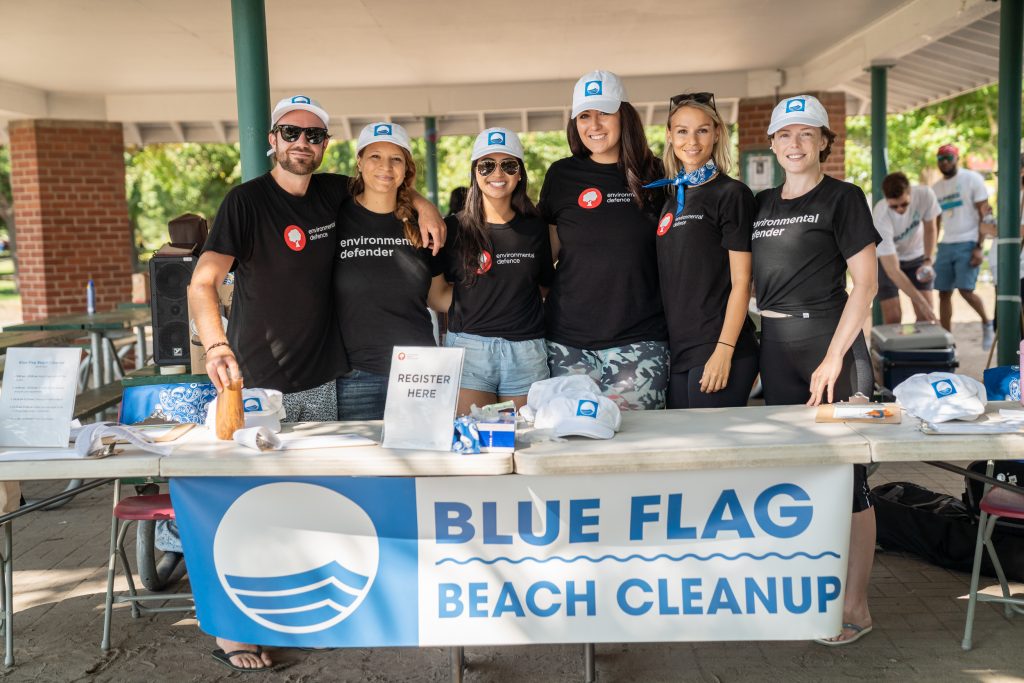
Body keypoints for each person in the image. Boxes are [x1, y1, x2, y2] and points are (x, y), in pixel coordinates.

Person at [189, 96, 445, 671]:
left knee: (314, 505)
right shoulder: (246, 201)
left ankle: (304, 614)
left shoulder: (336, 192)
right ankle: (233, 630)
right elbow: (204, 282)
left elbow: (391, 181)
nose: (302, 143)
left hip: (323, 375)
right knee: (244, 505)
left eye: (313, 135)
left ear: (325, 146)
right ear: (272, 139)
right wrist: (216, 345)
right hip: (256, 376)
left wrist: (425, 206)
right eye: (291, 133)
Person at [750, 95, 879, 646]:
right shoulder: (758, 204)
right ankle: (807, 591)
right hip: (775, 343)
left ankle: (857, 606)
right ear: (773, 144)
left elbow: (866, 284)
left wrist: (832, 357)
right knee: (796, 475)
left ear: (825, 141)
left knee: (849, 480)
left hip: (831, 345)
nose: (796, 144)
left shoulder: (843, 198)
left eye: (808, 134)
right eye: (786, 135)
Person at [539, 70, 667, 410]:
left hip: (639, 340)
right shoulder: (561, 175)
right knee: (571, 441)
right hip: (567, 340)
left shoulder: (655, 173)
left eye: (603, 113)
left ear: (624, 114)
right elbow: (543, 256)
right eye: (584, 115)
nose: (594, 124)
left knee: (634, 444)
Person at [646, 92, 758, 408]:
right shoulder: (671, 198)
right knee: (683, 454)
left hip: (718, 347)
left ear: (717, 133)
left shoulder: (731, 194)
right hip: (680, 351)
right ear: (669, 135)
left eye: (702, 130)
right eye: (682, 130)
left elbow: (742, 282)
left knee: (712, 454)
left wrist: (724, 349)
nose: (691, 140)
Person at [334, 122, 448, 420]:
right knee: (361, 467)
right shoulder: (335, 215)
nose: (385, 166)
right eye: (375, 156)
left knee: (423, 466)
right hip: (355, 375)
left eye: (396, 158)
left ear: (406, 169)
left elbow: (438, 298)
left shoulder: (422, 224)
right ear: (359, 162)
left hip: (420, 371)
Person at [440, 128, 553, 415]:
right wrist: (479, 303)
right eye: (487, 165)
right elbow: (436, 294)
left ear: (519, 174)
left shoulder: (535, 228)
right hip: (470, 348)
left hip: (526, 350)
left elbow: (542, 286)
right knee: (471, 442)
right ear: (475, 172)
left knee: (524, 442)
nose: (497, 173)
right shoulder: (452, 228)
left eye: (508, 165)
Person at [931, 144, 994, 347]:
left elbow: (984, 213)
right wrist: (933, 247)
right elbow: (936, 221)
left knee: (965, 290)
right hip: (946, 243)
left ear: (957, 158)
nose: (945, 162)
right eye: (941, 159)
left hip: (968, 241)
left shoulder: (972, 179)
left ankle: (986, 323)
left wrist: (979, 246)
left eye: (949, 157)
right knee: (943, 292)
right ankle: (947, 340)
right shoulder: (937, 188)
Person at [872, 172, 939, 324]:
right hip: (887, 261)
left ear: (910, 192)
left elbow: (931, 228)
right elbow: (893, 271)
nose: (900, 209)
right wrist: (921, 303)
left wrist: (928, 260)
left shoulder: (925, 195)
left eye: (904, 204)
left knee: (925, 318)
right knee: (893, 317)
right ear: (885, 199)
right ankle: (890, 348)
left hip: (917, 256)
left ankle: (919, 348)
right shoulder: (880, 216)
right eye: (894, 206)